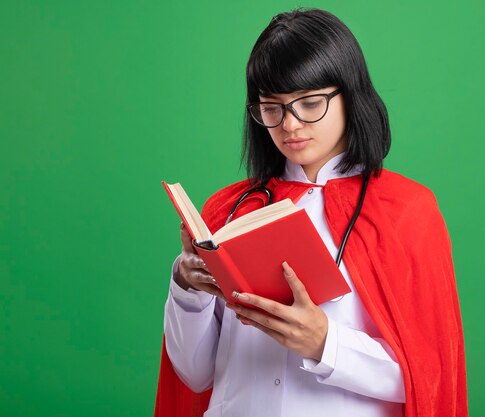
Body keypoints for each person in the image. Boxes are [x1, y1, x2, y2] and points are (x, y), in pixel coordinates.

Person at [155, 8, 467, 417]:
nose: (291, 125)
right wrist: (186, 287)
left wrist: (325, 344)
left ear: (350, 94)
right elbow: (194, 376)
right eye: (272, 108)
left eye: (310, 102)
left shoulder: (408, 211)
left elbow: (428, 376)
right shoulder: (228, 210)